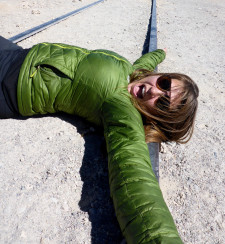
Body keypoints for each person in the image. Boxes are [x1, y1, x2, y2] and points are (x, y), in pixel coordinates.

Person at [0, 38, 198, 243]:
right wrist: (160, 53)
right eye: (164, 82)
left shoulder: (124, 110)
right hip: (24, 55)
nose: (153, 91)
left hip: (13, 83)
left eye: (163, 103)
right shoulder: (135, 73)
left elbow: (135, 175)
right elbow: (146, 63)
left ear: (159, 118)